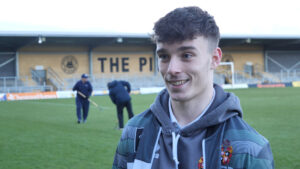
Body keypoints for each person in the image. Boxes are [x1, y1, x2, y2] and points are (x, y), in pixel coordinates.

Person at [112, 6, 274, 169]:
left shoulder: (250, 149)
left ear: (215, 59)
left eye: (187, 55)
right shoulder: (134, 132)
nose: (172, 69)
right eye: (164, 56)